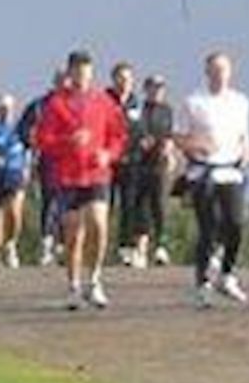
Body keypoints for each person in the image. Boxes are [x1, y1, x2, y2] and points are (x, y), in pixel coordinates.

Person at [35, 51, 128, 310]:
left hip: (97, 173)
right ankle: (73, 286)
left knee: (99, 223)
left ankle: (94, 280)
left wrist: (108, 154)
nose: (81, 77)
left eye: (86, 72)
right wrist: (67, 142)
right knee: (74, 233)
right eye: (76, 72)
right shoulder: (56, 104)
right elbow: (42, 140)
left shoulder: (103, 102)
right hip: (68, 176)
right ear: (70, 73)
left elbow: (118, 136)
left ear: (92, 73)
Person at [176, 52, 249, 308]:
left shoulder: (240, 102)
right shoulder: (193, 102)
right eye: (215, 70)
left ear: (230, 72)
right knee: (208, 227)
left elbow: (244, 135)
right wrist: (195, 145)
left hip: (231, 170)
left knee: (236, 223)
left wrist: (247, 151)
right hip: (203, 171)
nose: (220, 75)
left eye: (224, 70)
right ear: (207, 72)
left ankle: (227, 274)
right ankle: (202, 284)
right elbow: (178, 137)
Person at [17, 65, 70, 266]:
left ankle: (65, 246)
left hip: (73, 162)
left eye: (67, 80)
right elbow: (23, 129)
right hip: (48, 160)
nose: (64, 84)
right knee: (50, 202)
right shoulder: (40, 105)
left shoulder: (77, 104)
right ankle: (47, 245)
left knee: (69, 205)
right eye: (61, 80)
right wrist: (31, 141)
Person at [126, 74, 176, 268]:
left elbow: (170, 134)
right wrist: (140, 141)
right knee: (141, 205)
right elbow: (132, 130)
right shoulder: (138, 110)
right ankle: (140, 248)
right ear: (146, 89)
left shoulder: (167, 111)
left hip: (160, 163)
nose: (156, 91)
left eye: (160, 88)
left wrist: (168, 150)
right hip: (140, 162)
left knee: (160, 205)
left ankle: (161, 245)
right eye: (153, 88)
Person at [0, 94, 31, 268]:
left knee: (14, 211)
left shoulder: (20, 128)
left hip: (15, 172)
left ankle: (11, 243)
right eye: (1, 108)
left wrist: (27, 168)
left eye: (8, 108)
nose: (5, 111)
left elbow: (29, 148)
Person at [107, 61, 142, 266]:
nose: (124, 83)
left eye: (128, 79)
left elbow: (139, 129)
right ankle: (98, 246)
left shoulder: (135, 103)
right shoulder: (105, 99)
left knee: (129, 205)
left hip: (132, 162)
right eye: (120, 78)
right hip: (109, 162)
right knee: (105, 206)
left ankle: (126, 247)